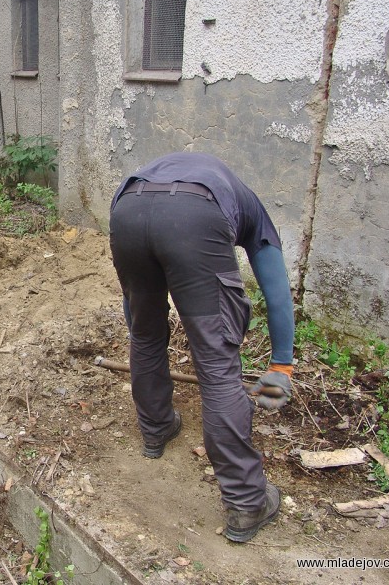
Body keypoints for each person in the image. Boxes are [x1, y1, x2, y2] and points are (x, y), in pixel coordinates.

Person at [109, 152, 295, 543]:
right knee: (216, 364)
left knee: (145, 336)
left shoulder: (180, 174)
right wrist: (281, 365)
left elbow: (135, 312)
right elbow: (276, 293)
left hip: (126, 206)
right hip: (194, 218)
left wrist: (142, 334)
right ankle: (246, 503)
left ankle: (156, 430)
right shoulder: (249, 208)